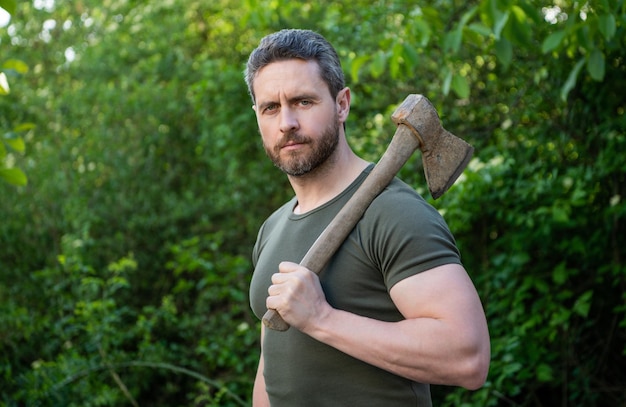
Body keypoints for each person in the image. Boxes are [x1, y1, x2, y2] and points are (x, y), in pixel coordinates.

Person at [244, 28, 490, 407]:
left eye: (303, 101)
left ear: (342, 104)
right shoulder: (273, 227)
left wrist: (322, 318)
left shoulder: (394, 213)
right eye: (270, 108)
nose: (286, 122)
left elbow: (468, 357)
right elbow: (272, 365)